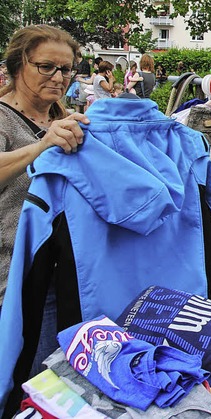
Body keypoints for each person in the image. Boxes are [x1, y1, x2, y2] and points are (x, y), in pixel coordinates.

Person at [0, 24, 89, 384]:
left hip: (56, 278)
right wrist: (40, 147)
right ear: (19, 63)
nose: (58, 77)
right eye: (46, 66)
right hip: (8, 280)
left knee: (43, 381)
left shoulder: (64, 119)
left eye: (66, 69)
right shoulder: (3, 118)